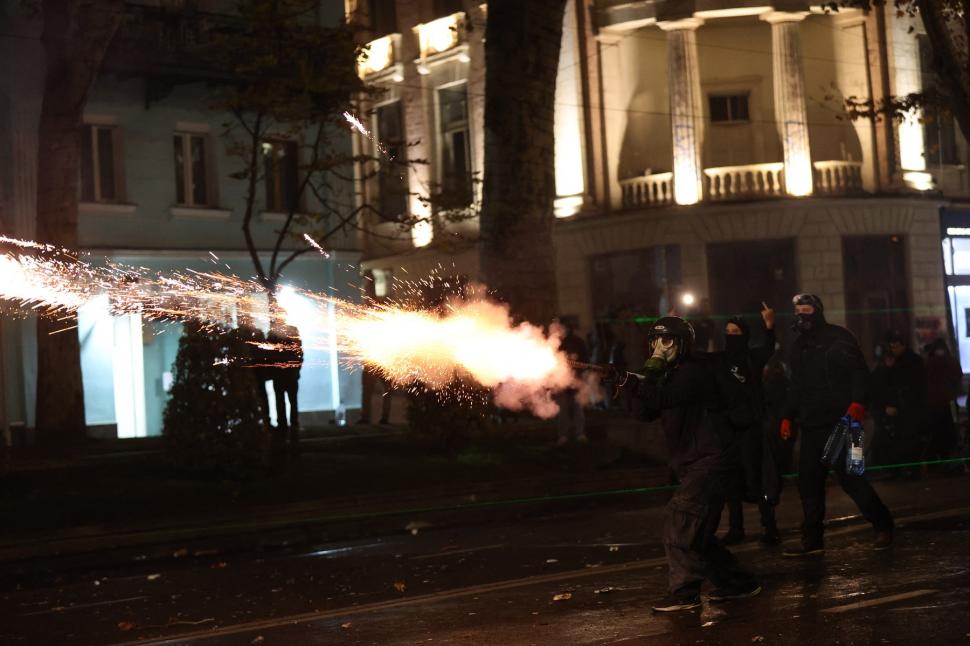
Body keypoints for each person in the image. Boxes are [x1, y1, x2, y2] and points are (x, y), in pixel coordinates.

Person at [636, 316, 760, 612]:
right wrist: (626, 384)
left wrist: (645, 377)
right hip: (694, 460)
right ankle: (738, 582)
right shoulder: (670, 373)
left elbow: (663, 398)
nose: (661, 347)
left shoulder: (695, 372)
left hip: (713, 458)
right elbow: (644, 411)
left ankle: (684, 593)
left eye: (668, 341)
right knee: (698, 535)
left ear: (683, 344)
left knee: (680, 520)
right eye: (656, 341)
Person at [780, 294, 894, 556]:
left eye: (806, 309)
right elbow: (796, 385)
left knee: (852, 478)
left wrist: (858, 402)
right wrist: (787, 415)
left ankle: (883, 525)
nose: (801, 315)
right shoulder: (799, 346)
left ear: (817, 311)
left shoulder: (839, 337)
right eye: (798, 310)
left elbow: (859, 372)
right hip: (813, 424)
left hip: (845, 422)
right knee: (809, 481)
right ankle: (812, 540)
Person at [717, 303, 781, 546]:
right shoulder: (721, 360)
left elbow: (768, 348)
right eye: (728, 332)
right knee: (731, 481)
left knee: (756, 479)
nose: (731, 336)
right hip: (728, 429)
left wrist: (769, 325)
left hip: (751, 427)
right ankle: (736, 529)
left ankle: (770, 526)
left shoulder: (752, 358)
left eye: (736, 332)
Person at [869, 332, 927, 477]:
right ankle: (896, 469)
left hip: (905, 410)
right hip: (894, 411)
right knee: (893, 441)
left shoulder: (907, 364)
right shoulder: (887, 370)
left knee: (907, 440)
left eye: (896, 347)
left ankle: (906, 469)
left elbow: (912, 388)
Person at [922, 338, 964, 473]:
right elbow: (958, 377)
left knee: (936, 433)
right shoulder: (951, 361)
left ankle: (935, 464)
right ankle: (951, 464)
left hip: (933, 404)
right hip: (949, 402)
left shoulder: (929, 363)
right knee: (950, 433)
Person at [556, 321, 589, 445]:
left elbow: (585, 361)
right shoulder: (558, 342)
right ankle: (564, 435)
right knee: (563, 410)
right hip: (561, 381)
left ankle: (579, 433)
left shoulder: (578, 342)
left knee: (578, 408)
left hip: (576, 380)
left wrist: (580, 374)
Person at [270, 322, 303, 444]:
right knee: (291, 400)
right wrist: (297, 370)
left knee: (282, 400)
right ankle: (292, 424)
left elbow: (270, 355)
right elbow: (299, 353)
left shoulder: (273, 334)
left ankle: (284, 425)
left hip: (281, 374)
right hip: (288, 374)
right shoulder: (291, 331)